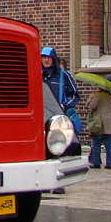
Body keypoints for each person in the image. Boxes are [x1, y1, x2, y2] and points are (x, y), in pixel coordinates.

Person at [41, 47, 80, 193]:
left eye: (48, 57)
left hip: (59, 118)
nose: (46, 60)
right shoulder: (38, 75)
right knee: (44, 151)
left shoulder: (63, 75)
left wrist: (65, 104)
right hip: (43, 118)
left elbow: (75, 95)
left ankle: (59, 183)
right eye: (43, 57)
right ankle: (45, 182)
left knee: (59, 149)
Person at [87, 84, 111, 169]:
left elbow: (92, 107)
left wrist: (90, 99)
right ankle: (110, 164)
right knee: (109, 143)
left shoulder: (98, 96)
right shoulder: (110, 97)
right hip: (110, 121)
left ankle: (96, 162)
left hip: (100, 122)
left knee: (96, 142)